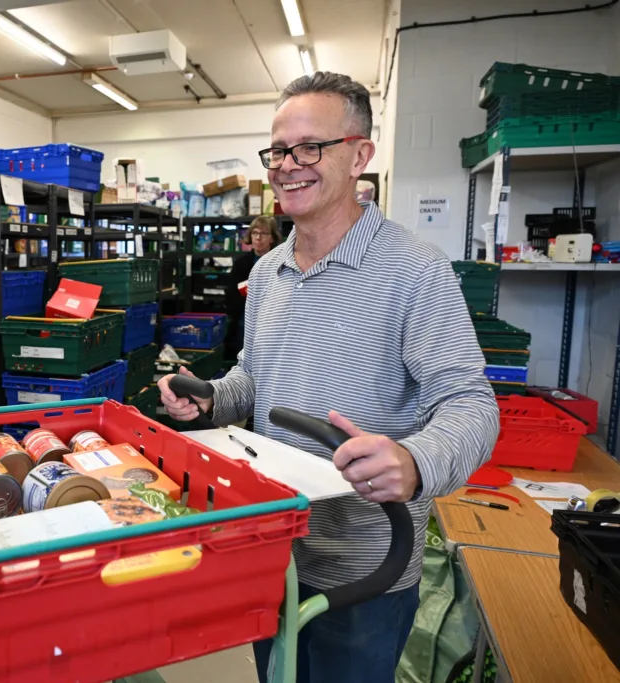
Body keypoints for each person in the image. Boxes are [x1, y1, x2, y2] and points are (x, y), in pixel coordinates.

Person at [157, 72, 499, 683]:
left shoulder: (413, 270)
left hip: (366, 565)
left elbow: (472, 404)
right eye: (279, 151)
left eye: (310, 147)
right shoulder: (266, 274)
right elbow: (252, 381)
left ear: (360, 155)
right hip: (272, 547)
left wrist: (415, 459)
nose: (289, 165)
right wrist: (209, 399)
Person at [226, 215, 280, 357]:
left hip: (273, 321)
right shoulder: (241, 263)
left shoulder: (281, 262)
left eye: (264, 233)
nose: (258, 238)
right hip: (245, 320)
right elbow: (231, 296)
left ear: (272, 238)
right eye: (255, 233)